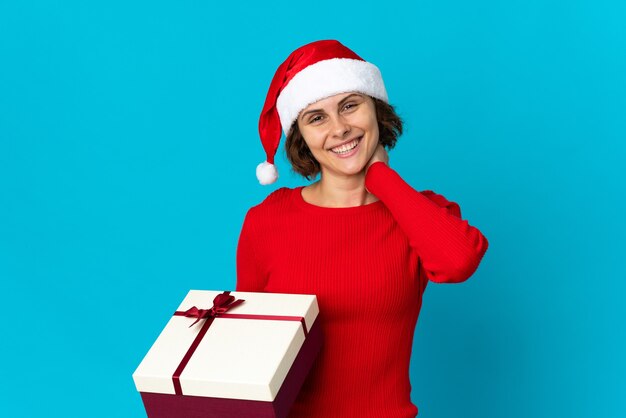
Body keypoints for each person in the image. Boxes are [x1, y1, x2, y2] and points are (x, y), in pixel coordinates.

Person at [236, 39, 489, 418]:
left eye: (350, 106)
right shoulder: (266, 220)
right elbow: (249, 344)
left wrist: (382, 179)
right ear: (301, 137)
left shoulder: (418, 212)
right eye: (316, 117)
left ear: (376, 109)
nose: (339, 128)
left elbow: (459, 262)